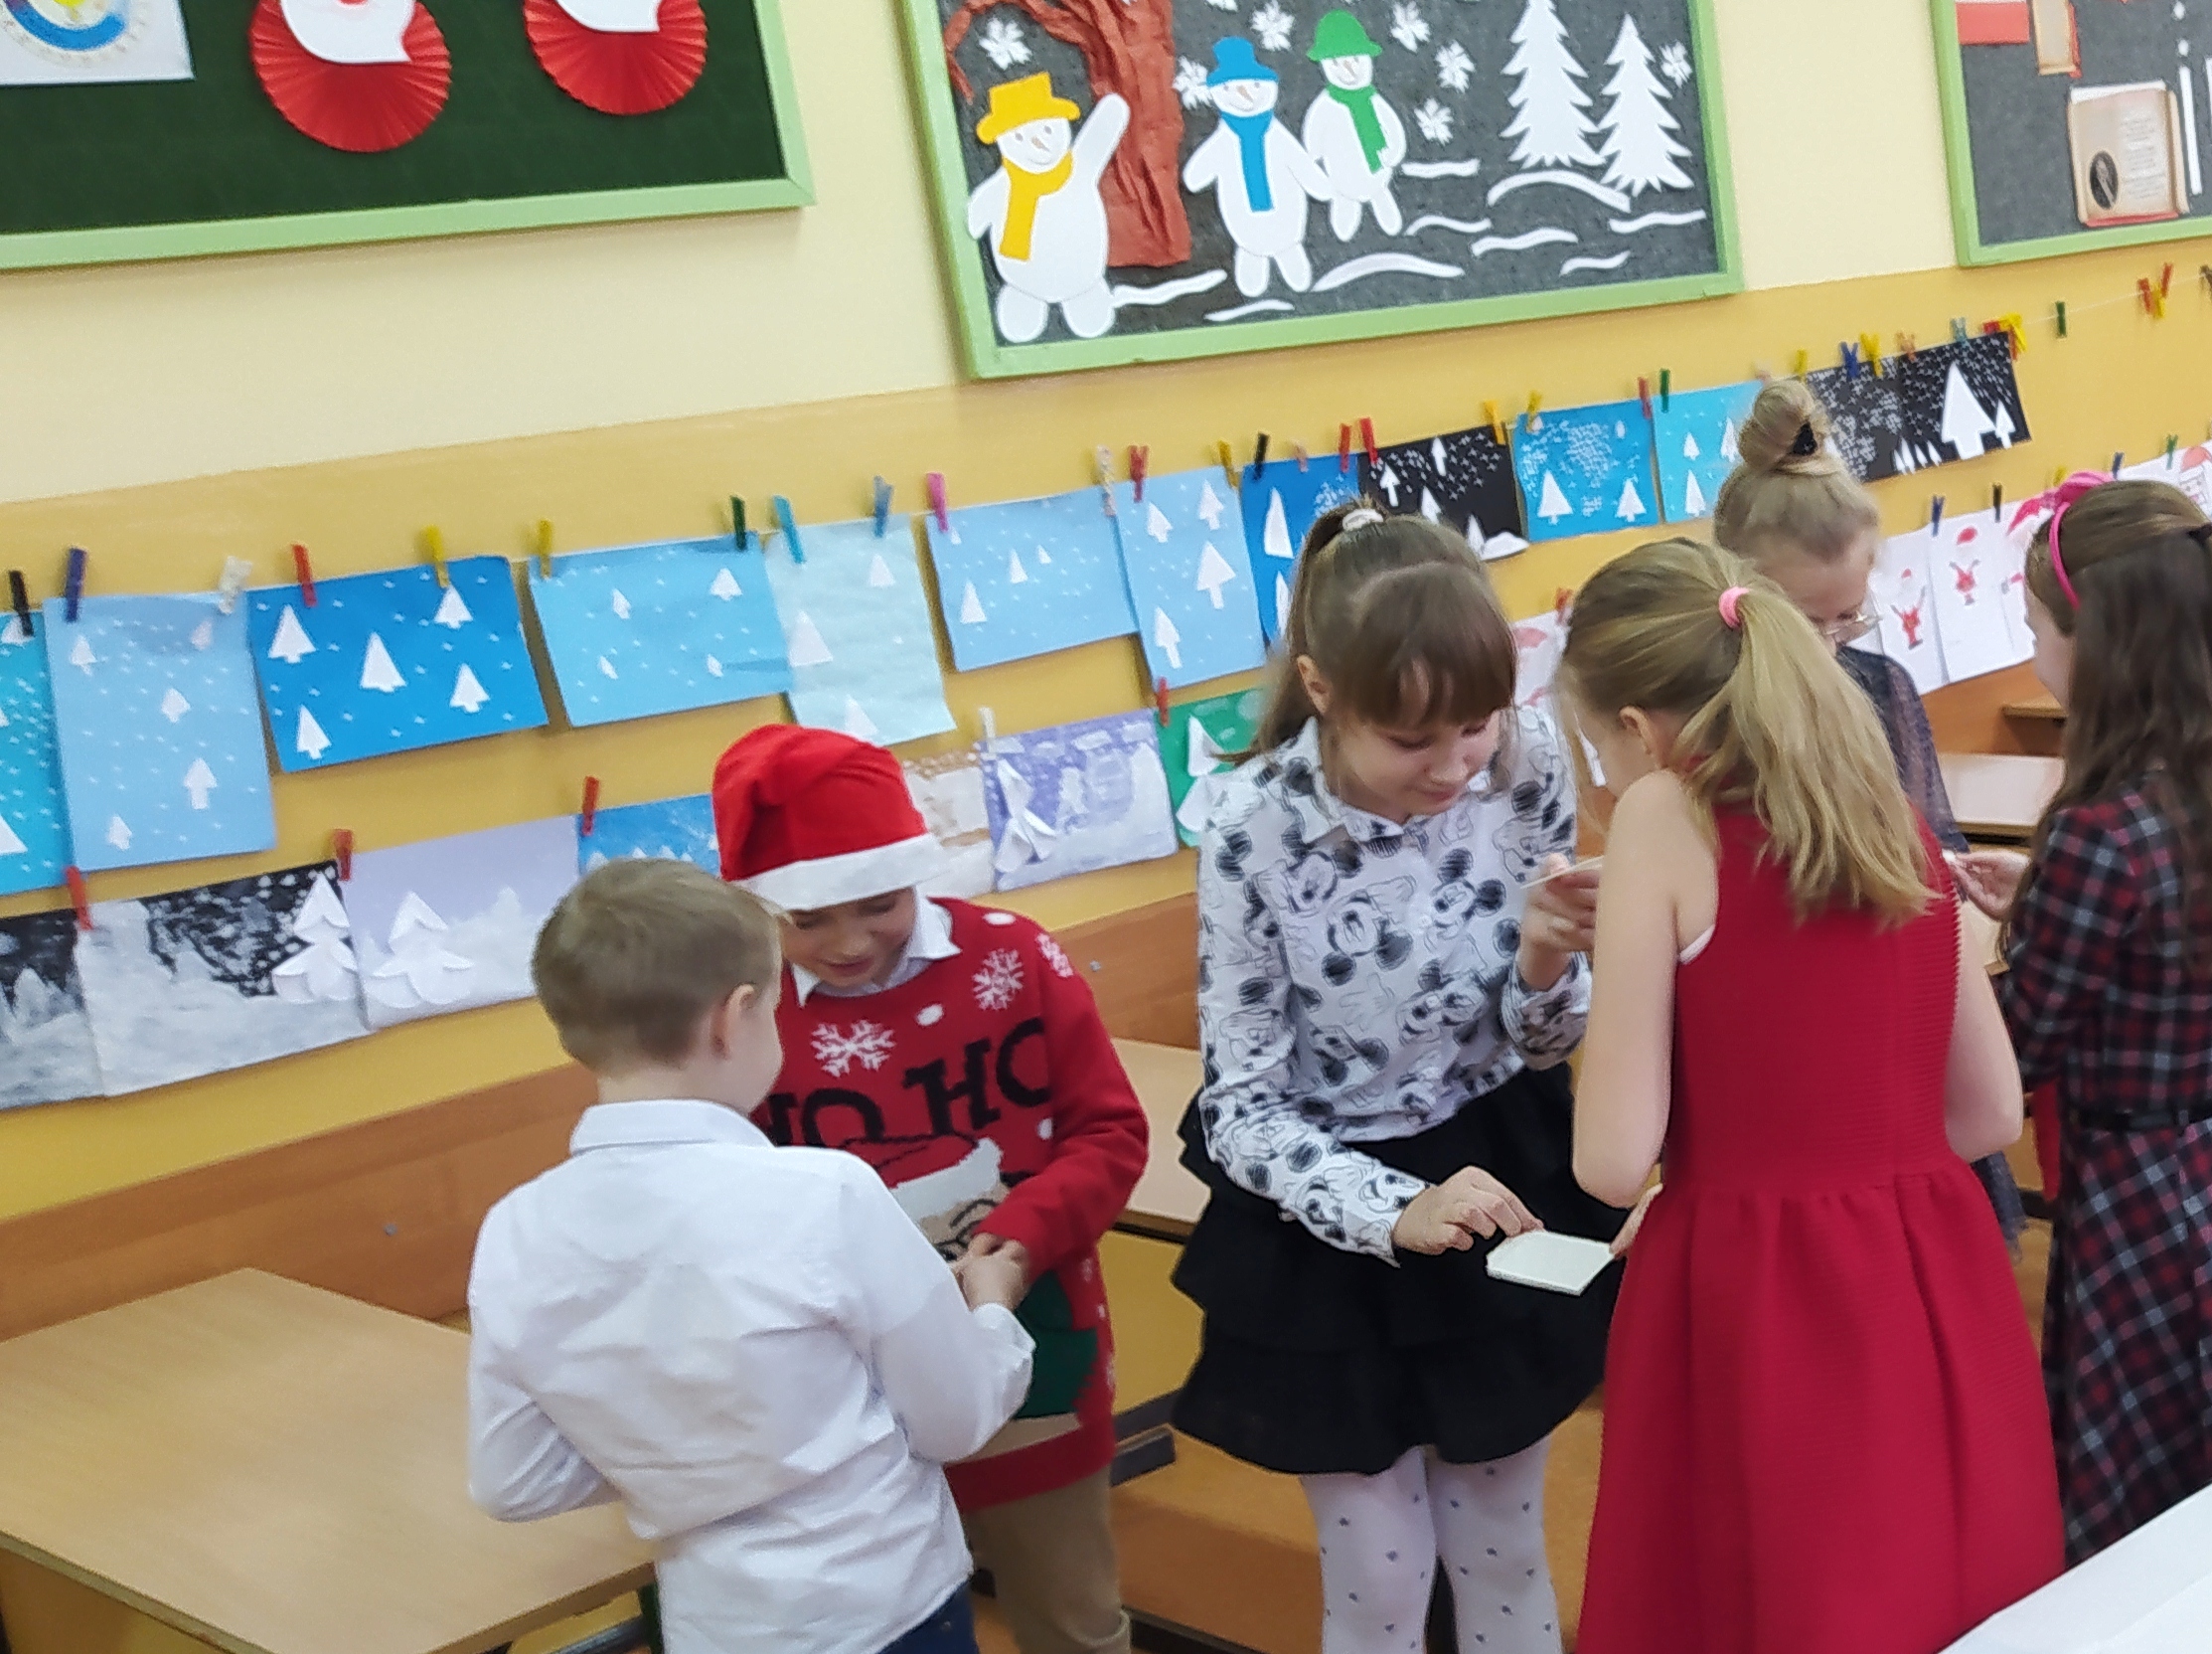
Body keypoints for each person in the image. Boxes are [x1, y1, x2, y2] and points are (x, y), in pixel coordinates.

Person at [1562, 539, 2063, 1654]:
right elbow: (1990, 1114)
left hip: (1759, 1281)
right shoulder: (1884, 805)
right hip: (1934, 1259)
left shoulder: (1662, 813)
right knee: (1942, 1581)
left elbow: (1611, 1159)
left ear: (1638, 727)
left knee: (1780, 1594)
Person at [1175, 503, 1617, 1654]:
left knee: (1502, 1544)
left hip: (1499, 1172)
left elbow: (1543, 1042)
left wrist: (1543, 959)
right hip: (1328, 1207)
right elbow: (1239, 1106)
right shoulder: (1251, 827)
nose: (1454, 766)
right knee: (1379, 1575)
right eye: (1411, 739)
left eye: (1473, 725)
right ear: (1320, 688)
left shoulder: (1525, 758)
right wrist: (1390, 1210)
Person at [1955, 476, 2212, 1561]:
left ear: (2102, 648)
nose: (2033, 657)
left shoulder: (2097, 831)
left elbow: (2016, 1051)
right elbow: (2172, 939)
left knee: (2162, 1509)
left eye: (2038, 630)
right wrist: (2046, 901)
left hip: (2144, 1200)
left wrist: (1959, 959)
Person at [466, 859, 1034, 1654]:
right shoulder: (824, 1194)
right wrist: (992, 1307)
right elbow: (957, 1418)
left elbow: (514, 1481)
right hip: (885, 1608)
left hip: (715, 1623)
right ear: (734, 1018)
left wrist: (680, 1451)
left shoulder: (514, 1230)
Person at [713, 724, 1150, 1654]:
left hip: (1029, 1348)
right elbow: (721, 1194)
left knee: (1070, 1618)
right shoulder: (739, 1012)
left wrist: (1019, 1244)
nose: (848, 942)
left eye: (878, 905)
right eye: (808, 920)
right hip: (841, 1394)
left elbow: (1109, 1134)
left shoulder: (1013, 959)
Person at [1712, 376, 2029, 1251]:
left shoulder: (1881, 690)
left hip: (1899, 1044)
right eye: (1800, 624)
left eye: (1848, 618)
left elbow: (1936, 859)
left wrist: (1955, 882)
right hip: (1790, 1067)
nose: (1827, 647)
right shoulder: (1708, 732)